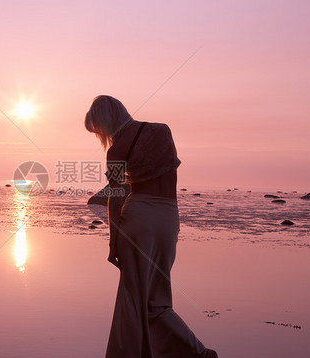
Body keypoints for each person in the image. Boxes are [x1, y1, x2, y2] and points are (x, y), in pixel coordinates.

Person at [85, 95, 218, 358]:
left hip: (138, 220)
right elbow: (170, 175)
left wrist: (113, 243)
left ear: (105, 122)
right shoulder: (162, 130)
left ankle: (195, 353)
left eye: (97, 130)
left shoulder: (116, 151)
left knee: (134, 300)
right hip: (169, 218)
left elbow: (116, 198)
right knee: (158, 300)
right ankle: (195, 353)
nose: (100, 136)